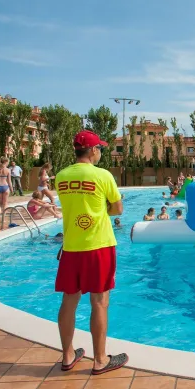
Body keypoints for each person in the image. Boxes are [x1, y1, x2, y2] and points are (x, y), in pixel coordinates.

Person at [54, 130, 128, 375]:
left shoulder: (61, 177)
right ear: (94, 150)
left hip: (71, 247)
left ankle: (67, 356)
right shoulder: (102, 175)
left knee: (69, 301)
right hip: (98, 246)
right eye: (101, 149)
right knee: (99, 302)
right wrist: (102, 207)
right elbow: (117, 209)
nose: (101, 153)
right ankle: (99, 360)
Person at [0, 157, 13, 221]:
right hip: (5, 186)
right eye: (8, 162)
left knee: (0, 203)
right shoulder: (8, 170)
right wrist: (11, 189)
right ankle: (3, 218)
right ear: (6, 162)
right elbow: (9, 181)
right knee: (5, 203)